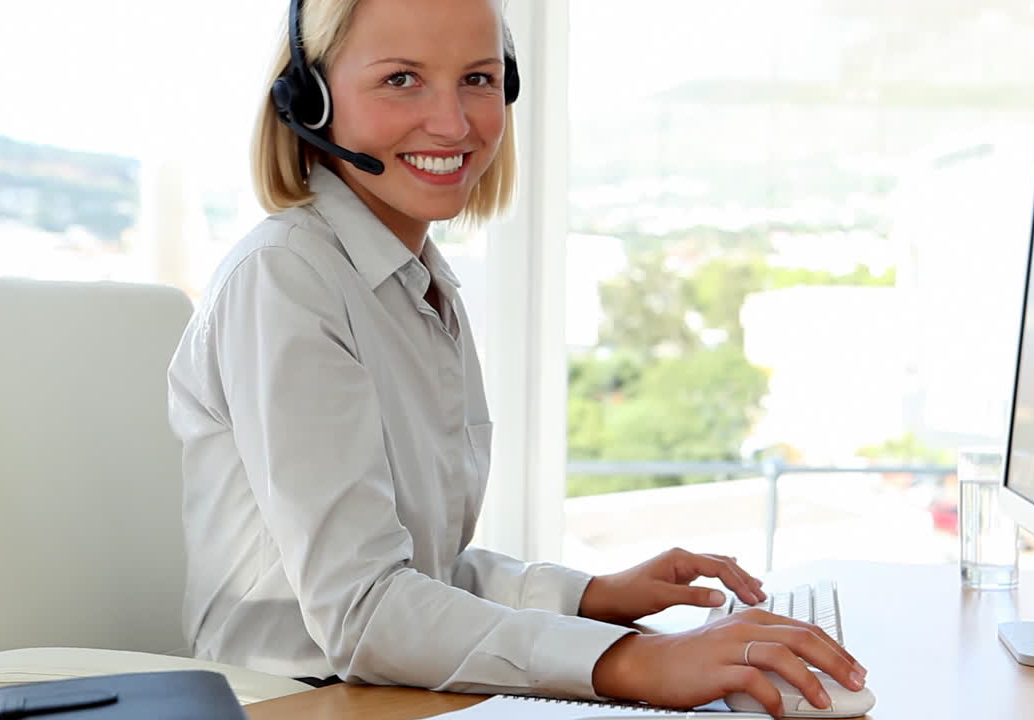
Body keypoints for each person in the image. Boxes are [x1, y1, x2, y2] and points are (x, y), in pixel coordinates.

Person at [166, 0, 867, 716]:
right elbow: (365, 609)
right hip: (288, 701)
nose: (453, 122)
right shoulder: (286, 280)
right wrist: (637, 660)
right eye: (402, 79)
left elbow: (418, 572)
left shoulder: (418, 286)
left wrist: (592, 597)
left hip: (384, 688)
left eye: (478, 78)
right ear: (308, 100)